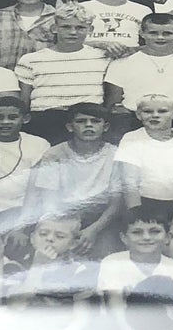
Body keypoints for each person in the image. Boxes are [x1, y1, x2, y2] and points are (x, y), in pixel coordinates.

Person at [23, 103, 124, 256]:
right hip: (61, 214)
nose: (88, 125)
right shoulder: (54, 154)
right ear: (70, 126)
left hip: (100, 218)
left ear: (106, 126)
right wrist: (61, 229)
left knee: (105, 254)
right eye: (81, 121)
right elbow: (49, 199)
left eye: (95, 121)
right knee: (48, 253)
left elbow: (116, 203)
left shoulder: (116, 155)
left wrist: (93, 230)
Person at [114, 96, 173, 253]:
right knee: (143, 246)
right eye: (148, 111)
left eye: (162, 111)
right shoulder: (131, 139)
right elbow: (130, 184)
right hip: (141, 206)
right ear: (138, 115)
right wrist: (139, 224)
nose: (155, 115)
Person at [13, 7, 111, 145]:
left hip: (86, 120)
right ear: (54, 28)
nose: (73, 32)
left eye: (80, 27)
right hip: (45, 120)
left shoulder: (103, 57)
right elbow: (23, 101)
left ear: (91, 29)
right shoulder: (30, 59)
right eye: (66, 27)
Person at [96, 209, 173, 330]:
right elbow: (115, 309)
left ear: (167, 237)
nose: (146, 237)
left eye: (155, 231)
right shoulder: (113, 263)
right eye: (137, 232)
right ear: (124, 238)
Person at [101, 10, 173, 127]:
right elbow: (112, 103)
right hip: (135, 123)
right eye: (153, 33)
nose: (160, 37)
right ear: (142, 33)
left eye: (167, 33)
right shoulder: (120, 64)